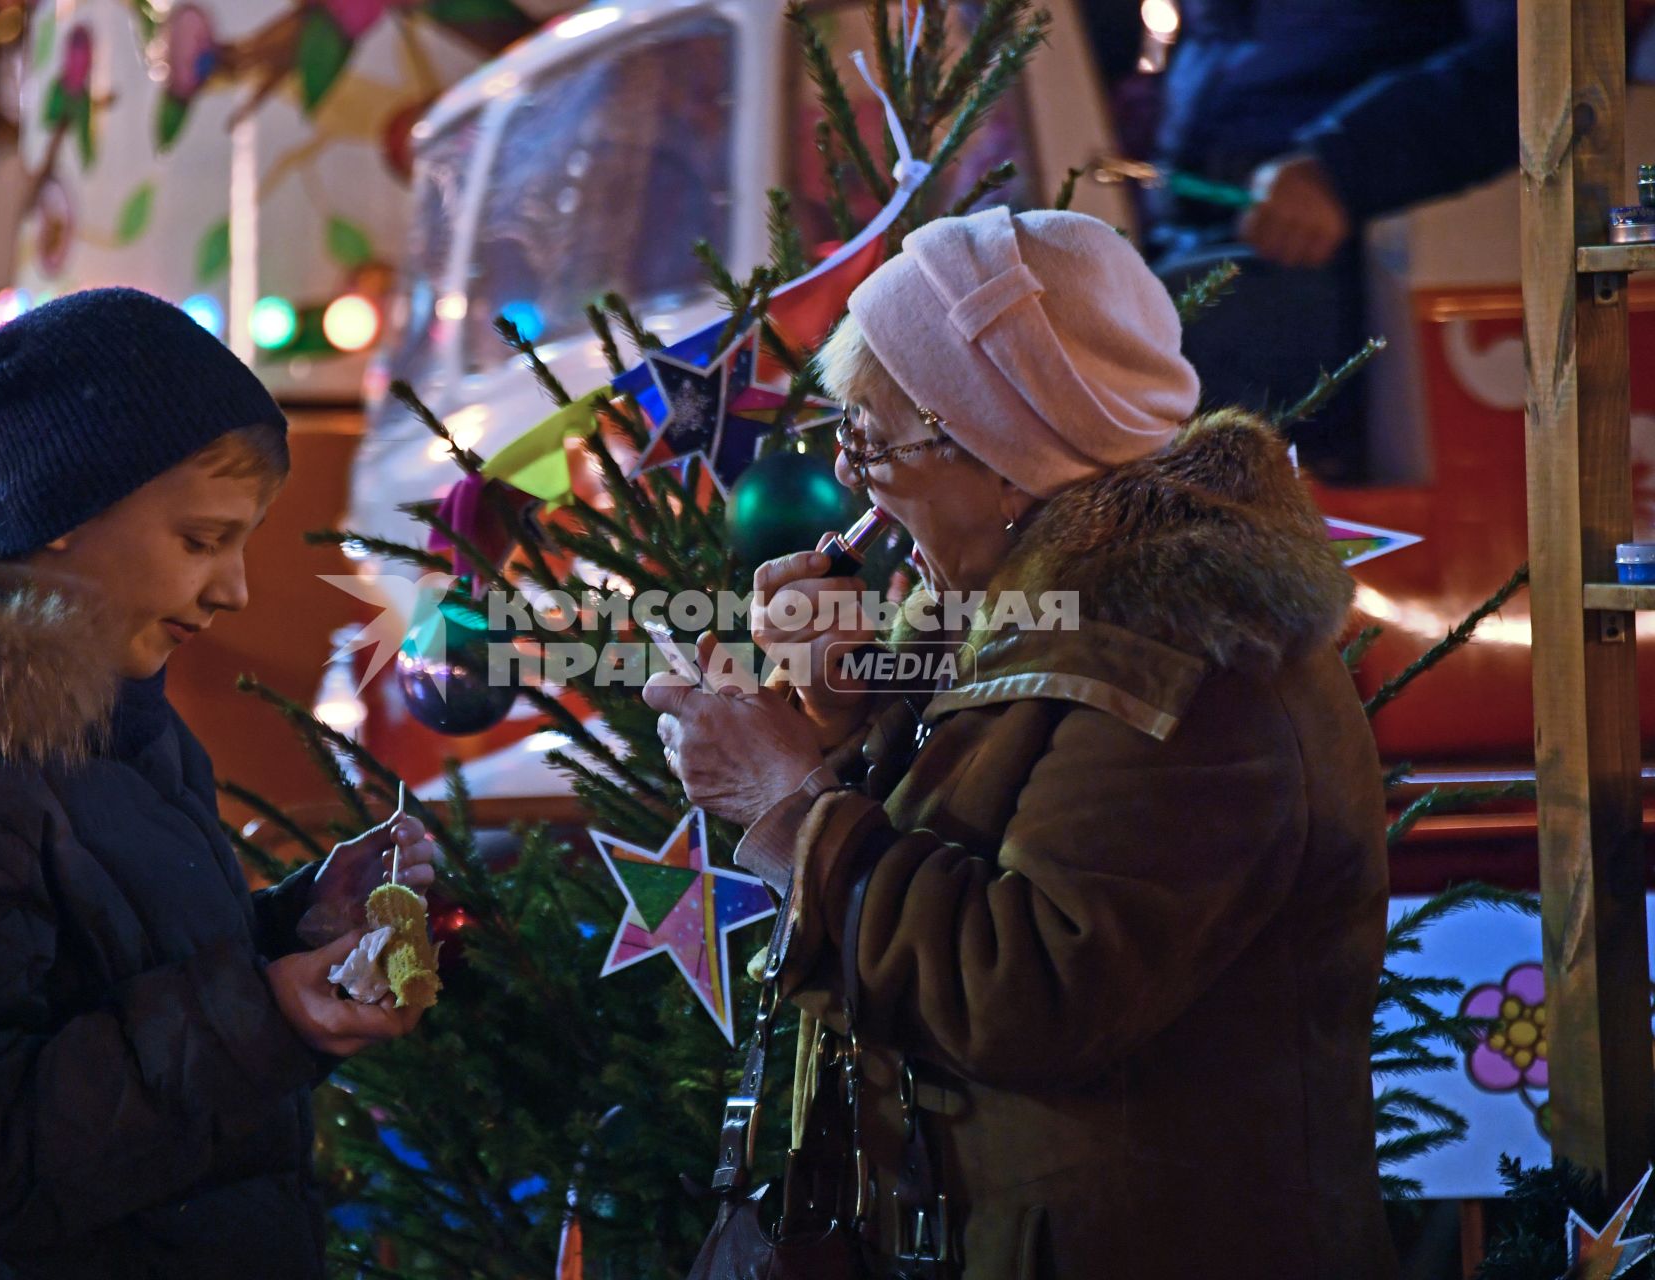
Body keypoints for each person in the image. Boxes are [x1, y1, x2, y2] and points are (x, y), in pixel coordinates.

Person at [645, 209, 1395, 1277]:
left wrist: (788, 802)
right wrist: (847, 717)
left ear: (1002, 462)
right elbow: (971, 826)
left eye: (869, 437)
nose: (850, 481)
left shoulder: (1185, 657)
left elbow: (1030, 990)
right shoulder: (1029, 611)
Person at [0, 287, 436, 1278]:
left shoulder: (115, 734)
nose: (233, 587)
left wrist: (295, 926)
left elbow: (111, 974)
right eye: (201, 540)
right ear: (64, 513)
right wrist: (265, 1016)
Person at [1150, 0, 1518, 482]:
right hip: (1202, 219)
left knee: (1159, 339)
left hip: (1368, 244)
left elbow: (1524, 68)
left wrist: (1341, 166)